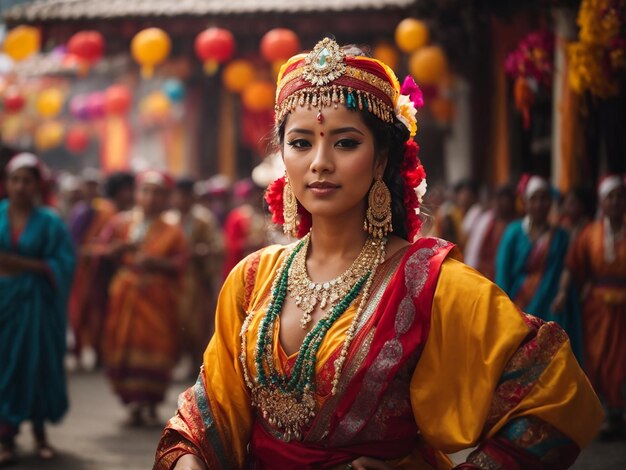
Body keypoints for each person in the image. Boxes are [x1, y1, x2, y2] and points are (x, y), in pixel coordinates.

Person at [155, 39, 602, 469]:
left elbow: (556, 393)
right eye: (301, 142)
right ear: (283, 156)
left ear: (382, 159)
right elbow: (209, 408)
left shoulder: (427, 282)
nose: (320, 162)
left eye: (346, 143)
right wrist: (190, 461)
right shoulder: (252, 278)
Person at [0, 153, 75, 464]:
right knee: (5, 366)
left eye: (26, 180)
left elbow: (65, 262)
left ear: (37, 185)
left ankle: (41, 434)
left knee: (39, 362)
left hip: (38, 306)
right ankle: (6, 437)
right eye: (14, 179)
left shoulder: (50, 222)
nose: (19, 186)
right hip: (4, 302)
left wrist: (26, 265)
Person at [101, 170, 187, 427]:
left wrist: (156, 262)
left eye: (158, 193)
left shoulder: (173, 230)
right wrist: (119, 249)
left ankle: (150, 400)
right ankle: (132, 401)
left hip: (157, 298)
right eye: (146, 191)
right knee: (124, 343)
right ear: (137, 194)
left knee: (157, 345)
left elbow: (181, 263)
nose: (150, 198)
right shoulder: (121, 223)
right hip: (126, 294)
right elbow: (103, 251)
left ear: (166, 198)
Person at [556, 175, 626, 440]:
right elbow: (572, 266)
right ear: (602, 202)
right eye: (611, 197)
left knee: (621, 362)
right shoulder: (590, 233)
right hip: (597, 308)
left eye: (620, 196)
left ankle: (620, 414)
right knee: (597, 359)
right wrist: (563, 292)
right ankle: (605, 414)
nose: (616, 202)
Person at [495, 175, 583, 362]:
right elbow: (503, 271)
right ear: (525, 203)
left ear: (550, 202)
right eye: (534, 199)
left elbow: (566, 268)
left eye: (544, 198)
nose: (539, 204)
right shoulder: (513, 232)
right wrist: (505, 306)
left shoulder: (561, 236)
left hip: (550, 308)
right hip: (519, 305)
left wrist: (562, 293)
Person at [68, 171, 135, 371]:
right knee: (87, 311)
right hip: (92, 270)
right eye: (127, 190)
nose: (130, 194)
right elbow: (80, 241)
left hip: (109, 269)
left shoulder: (119, 212)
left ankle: (102, 353)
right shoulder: (106, 211)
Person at [167, 178, 224, 379]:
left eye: (186, 195)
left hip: (195, 279)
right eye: (178, 195)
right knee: (173, 322)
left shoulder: (203, 219)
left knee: (195, 324)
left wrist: (203, 252)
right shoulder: (169, 220)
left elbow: (217, 246)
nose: (181, 200)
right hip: (172, 279)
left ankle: (195, 363)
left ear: (193, 197)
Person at [464, 185, 517, 280]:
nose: (502, 204)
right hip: (488, 274)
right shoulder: (489, 222)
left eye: (506, 201)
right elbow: (479, 250)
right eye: (499, 200)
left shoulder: (517, 226)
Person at [222, 178, 267, 278]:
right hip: (241, 266)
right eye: (256, 194)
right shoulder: (237, 216)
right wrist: (250, 243)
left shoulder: (266, 217)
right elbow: (230, 245)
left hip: (262, 267)